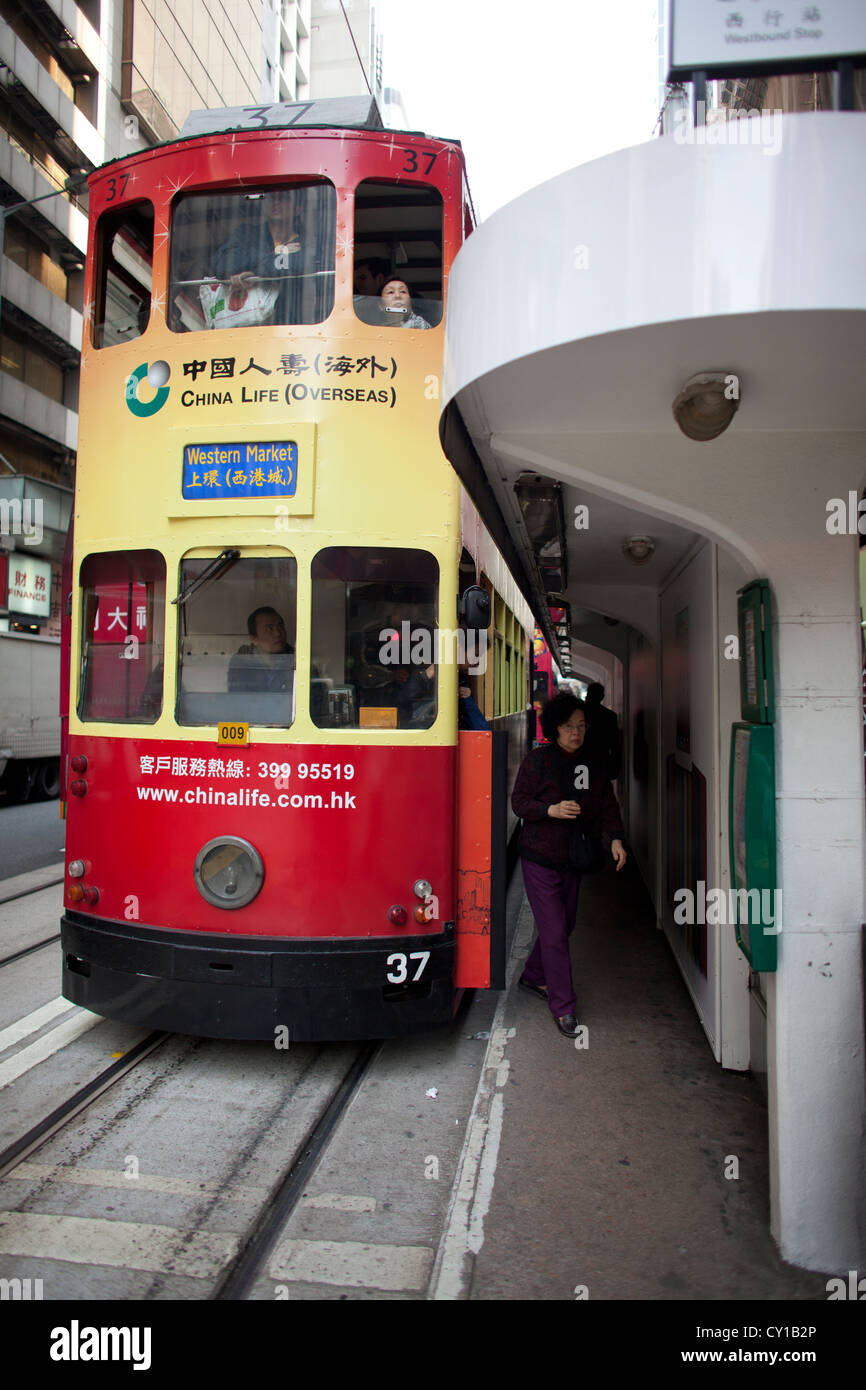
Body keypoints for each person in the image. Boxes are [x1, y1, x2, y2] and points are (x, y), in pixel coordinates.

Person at [511, 692, 627, 1038]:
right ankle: (563, 1007)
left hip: (574, 858)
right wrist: (551, 810)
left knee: (566, 925)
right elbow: (519, 803)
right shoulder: (537, 761)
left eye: (580, 726)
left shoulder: (592, 762)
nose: (575, 733)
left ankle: (533, 977)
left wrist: (616, 838)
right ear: (553, 729)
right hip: (539, 858)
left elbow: (607, 801)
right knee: (555, 932)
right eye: (568, 726)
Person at [211, 188, 332, 326]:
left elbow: (302, 265)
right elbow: (223, 265)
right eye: (271, 197)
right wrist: (277, 255)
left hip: (293, 324)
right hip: (249, 330)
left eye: (284, 198)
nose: (276, 202)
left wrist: (254, 272)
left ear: (298, 209)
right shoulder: (245, 233)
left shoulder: (307, 242)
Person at [228, 607, 294, 693]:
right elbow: (239, 699)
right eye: (269, 629)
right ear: (254, 639)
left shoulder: (297, 659)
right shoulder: (241, 662)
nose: (277, 633)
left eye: (280, 626)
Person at [582, 682, 621, 780]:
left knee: (581, 791)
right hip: (602, 762)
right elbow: (615, 744)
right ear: (602, 696)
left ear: (588, 694)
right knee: (599, 791)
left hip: (581, 761)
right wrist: (615, 768)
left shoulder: (579, 713)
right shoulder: (610, 716)